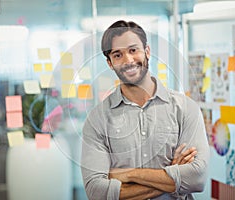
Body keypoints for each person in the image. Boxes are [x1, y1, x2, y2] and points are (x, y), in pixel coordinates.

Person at [81, 20, 210, 200]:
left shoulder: (186, 108)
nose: (128, 60)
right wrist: (174, 178)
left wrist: (128, 174)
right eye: (117, 55)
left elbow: (197, 179)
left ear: (147, 51)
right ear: (110, 63)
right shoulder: (98, 119)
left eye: (133, 50)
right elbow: (96, 192)